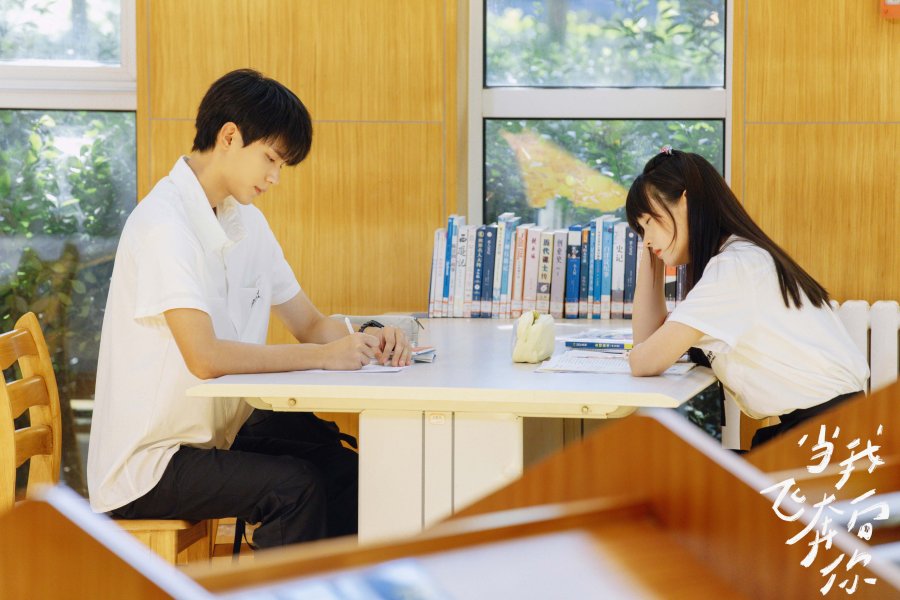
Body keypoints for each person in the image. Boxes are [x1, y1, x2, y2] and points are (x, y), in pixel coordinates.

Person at [87, 69, 413, 547]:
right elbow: (205, 358)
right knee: (294, 487)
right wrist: (326, 356)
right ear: (229, 137)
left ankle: (335, 582)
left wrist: (370, 337)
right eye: (271, 159)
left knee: (340, 466)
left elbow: (310, 324)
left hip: (213, 435)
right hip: (150, 461)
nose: (274, 177)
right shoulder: (164, 225)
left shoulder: (246, 223)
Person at [625, 146, 868, 449]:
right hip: (828, 435)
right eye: (640, 230)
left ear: (686, 203)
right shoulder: (741, 258)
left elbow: (644, 361)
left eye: (649, 221)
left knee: (663, 470)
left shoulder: (735, 267)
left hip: (827, 443)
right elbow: (648, 344)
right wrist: (653, 252)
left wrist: (658, 247)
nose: (647, 240)